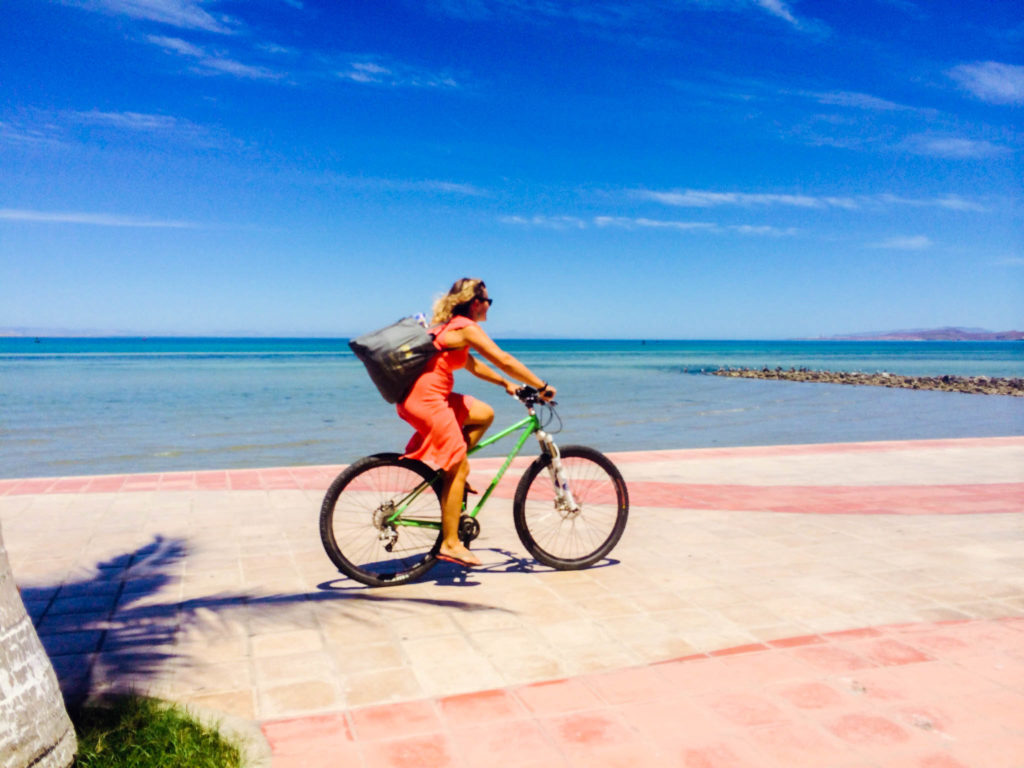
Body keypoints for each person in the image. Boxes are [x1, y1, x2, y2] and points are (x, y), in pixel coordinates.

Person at [397, 278, 555, 567]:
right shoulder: (466, 328)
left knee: (484, 414)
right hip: (428, 401)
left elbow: (475, 365)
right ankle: (450, 543)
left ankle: (453, 471)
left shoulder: (447, 328)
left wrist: (505, 384)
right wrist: (540, 385)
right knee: (459, 465)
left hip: (419, 397)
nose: (490, 306)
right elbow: (502, 358)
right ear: (475, 303)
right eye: (488, 301)